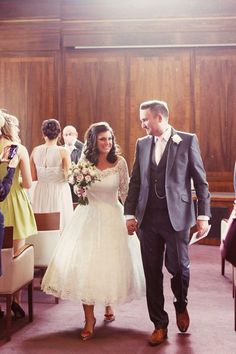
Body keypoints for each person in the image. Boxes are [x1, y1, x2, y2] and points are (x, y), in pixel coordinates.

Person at [42, 122, 145, 340]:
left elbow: (126, 193)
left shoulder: (120, 163)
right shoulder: (85, 161)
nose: (107, 143)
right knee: (86, 266)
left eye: (109, 138)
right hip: (88, 217)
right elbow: (80, 191)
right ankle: (89, 319)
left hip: (113, 216)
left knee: (108, 264)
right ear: (93, 141)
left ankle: (109, 302)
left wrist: (130, 218)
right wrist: (79, 187)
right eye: (102, 139)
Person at [124, 100, 211, 346]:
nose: (142, 125)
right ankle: (159, 324)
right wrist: (129, 214)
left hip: (178, 218)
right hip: (148, 220)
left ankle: (181, 304)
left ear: (159, 117)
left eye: (145, 120)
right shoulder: (142, 144)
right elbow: (135, 182)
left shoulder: (187, 140)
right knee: (152, 273)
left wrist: (203, 216)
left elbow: (201, 182)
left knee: (179, 269)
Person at [0, 109, 37, 319]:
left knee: (0, 256)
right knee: (16, 256)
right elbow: (28, 183)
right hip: (16, 204)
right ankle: (15, 300)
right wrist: (18, 183)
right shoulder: (18, 148)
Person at [30, 119, 73, 231]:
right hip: (59, 191)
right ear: (59, 134)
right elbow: (68, 176)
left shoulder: (35, 151)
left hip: (41, 191)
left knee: (42, 224)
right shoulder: (63, 152)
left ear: (43, 133)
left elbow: (33, 177)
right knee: (61, 224)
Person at [62, 125, 84, 203]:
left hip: (78, 187)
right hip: (63, 187)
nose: (68, 137)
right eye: (66, 135)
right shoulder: (60, 150)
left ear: (76, 135)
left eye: (70, 134)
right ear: (63, 136)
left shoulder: (82, 149)